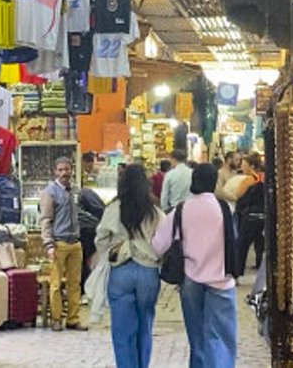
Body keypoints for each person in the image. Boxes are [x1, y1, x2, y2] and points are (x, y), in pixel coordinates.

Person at [153, 164, 239, 368]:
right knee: (222, 338)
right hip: (221, 279)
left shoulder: (181, 209)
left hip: (191, 280)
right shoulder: (225, 208)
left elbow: (158, 245)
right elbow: (234, 240)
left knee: (197, 337)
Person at [95, 164, 164, 368]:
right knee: (145, 326)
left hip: (121, 272)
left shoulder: (113, 209)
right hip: (148, 273)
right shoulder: (154, 212)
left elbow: (100, 239)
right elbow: (164, 242)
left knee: (123, 331)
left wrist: (113, 249)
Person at [40, 157, 88, 331]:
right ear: (55, 171)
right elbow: (45, 220)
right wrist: (49, 245)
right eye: (60, 170)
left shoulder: (75, 191)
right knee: (55, 284)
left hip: (75, 243)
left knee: (75, 284)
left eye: (66, 169)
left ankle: (73, 319)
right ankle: (56, 319)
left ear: (71, 170)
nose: (64, 173)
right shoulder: (50, 192)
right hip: (58, 244)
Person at [227, 152, 266, 276]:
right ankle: (260, 266)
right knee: (259, 242)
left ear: (252, 166)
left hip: (249, 216)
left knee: (242, 245)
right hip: (262, 215)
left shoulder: (248, 179)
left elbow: (238, 194)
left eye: (244, 164)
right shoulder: (262, 177)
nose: (241, 166)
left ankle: (237, 272)